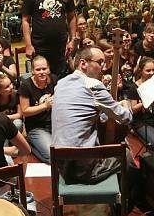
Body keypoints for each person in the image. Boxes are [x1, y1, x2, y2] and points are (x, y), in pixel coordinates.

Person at [51, 46, 132, 184]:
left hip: (60, 162)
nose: (103, 67)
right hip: (81, 169)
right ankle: (124, 202)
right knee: (127, 154)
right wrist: (126, 104)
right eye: (100, 62)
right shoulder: (93, 85)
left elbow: (86, 114)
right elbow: (125, 117)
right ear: (83, 63)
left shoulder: (60, 84)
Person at [21, 0, 77, 77]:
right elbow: (25, 20)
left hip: (61, 47)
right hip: (39, 47)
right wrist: (28, 44)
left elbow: (72, 17)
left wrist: (72, 40)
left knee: (60, 78)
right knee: (42, 78)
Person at [18, 56, 56, 164]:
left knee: (67, 151)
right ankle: (30, 147)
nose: (42, 72)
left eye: (44, 69)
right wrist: (45, 106)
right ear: (32, 71)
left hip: (55, 125)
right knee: (52, 156)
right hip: (36, 127)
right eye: (38, 69)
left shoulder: (54, 79)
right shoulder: (26, 86)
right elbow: (25, 111)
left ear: (48, 69)